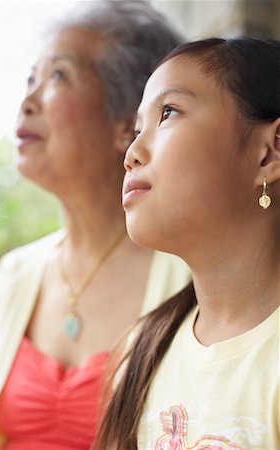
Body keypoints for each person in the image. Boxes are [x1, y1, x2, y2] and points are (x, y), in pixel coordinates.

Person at [0, 2, 191, 449]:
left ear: (128, 124)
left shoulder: (191, 276)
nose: (26, 102)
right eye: (29, 80)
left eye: (58, 76)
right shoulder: (14, 275)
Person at [95, 37, 280, 450]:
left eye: (168, 112)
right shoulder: (139, 352)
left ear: (269, 153)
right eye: (136, 131)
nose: (132, 153)